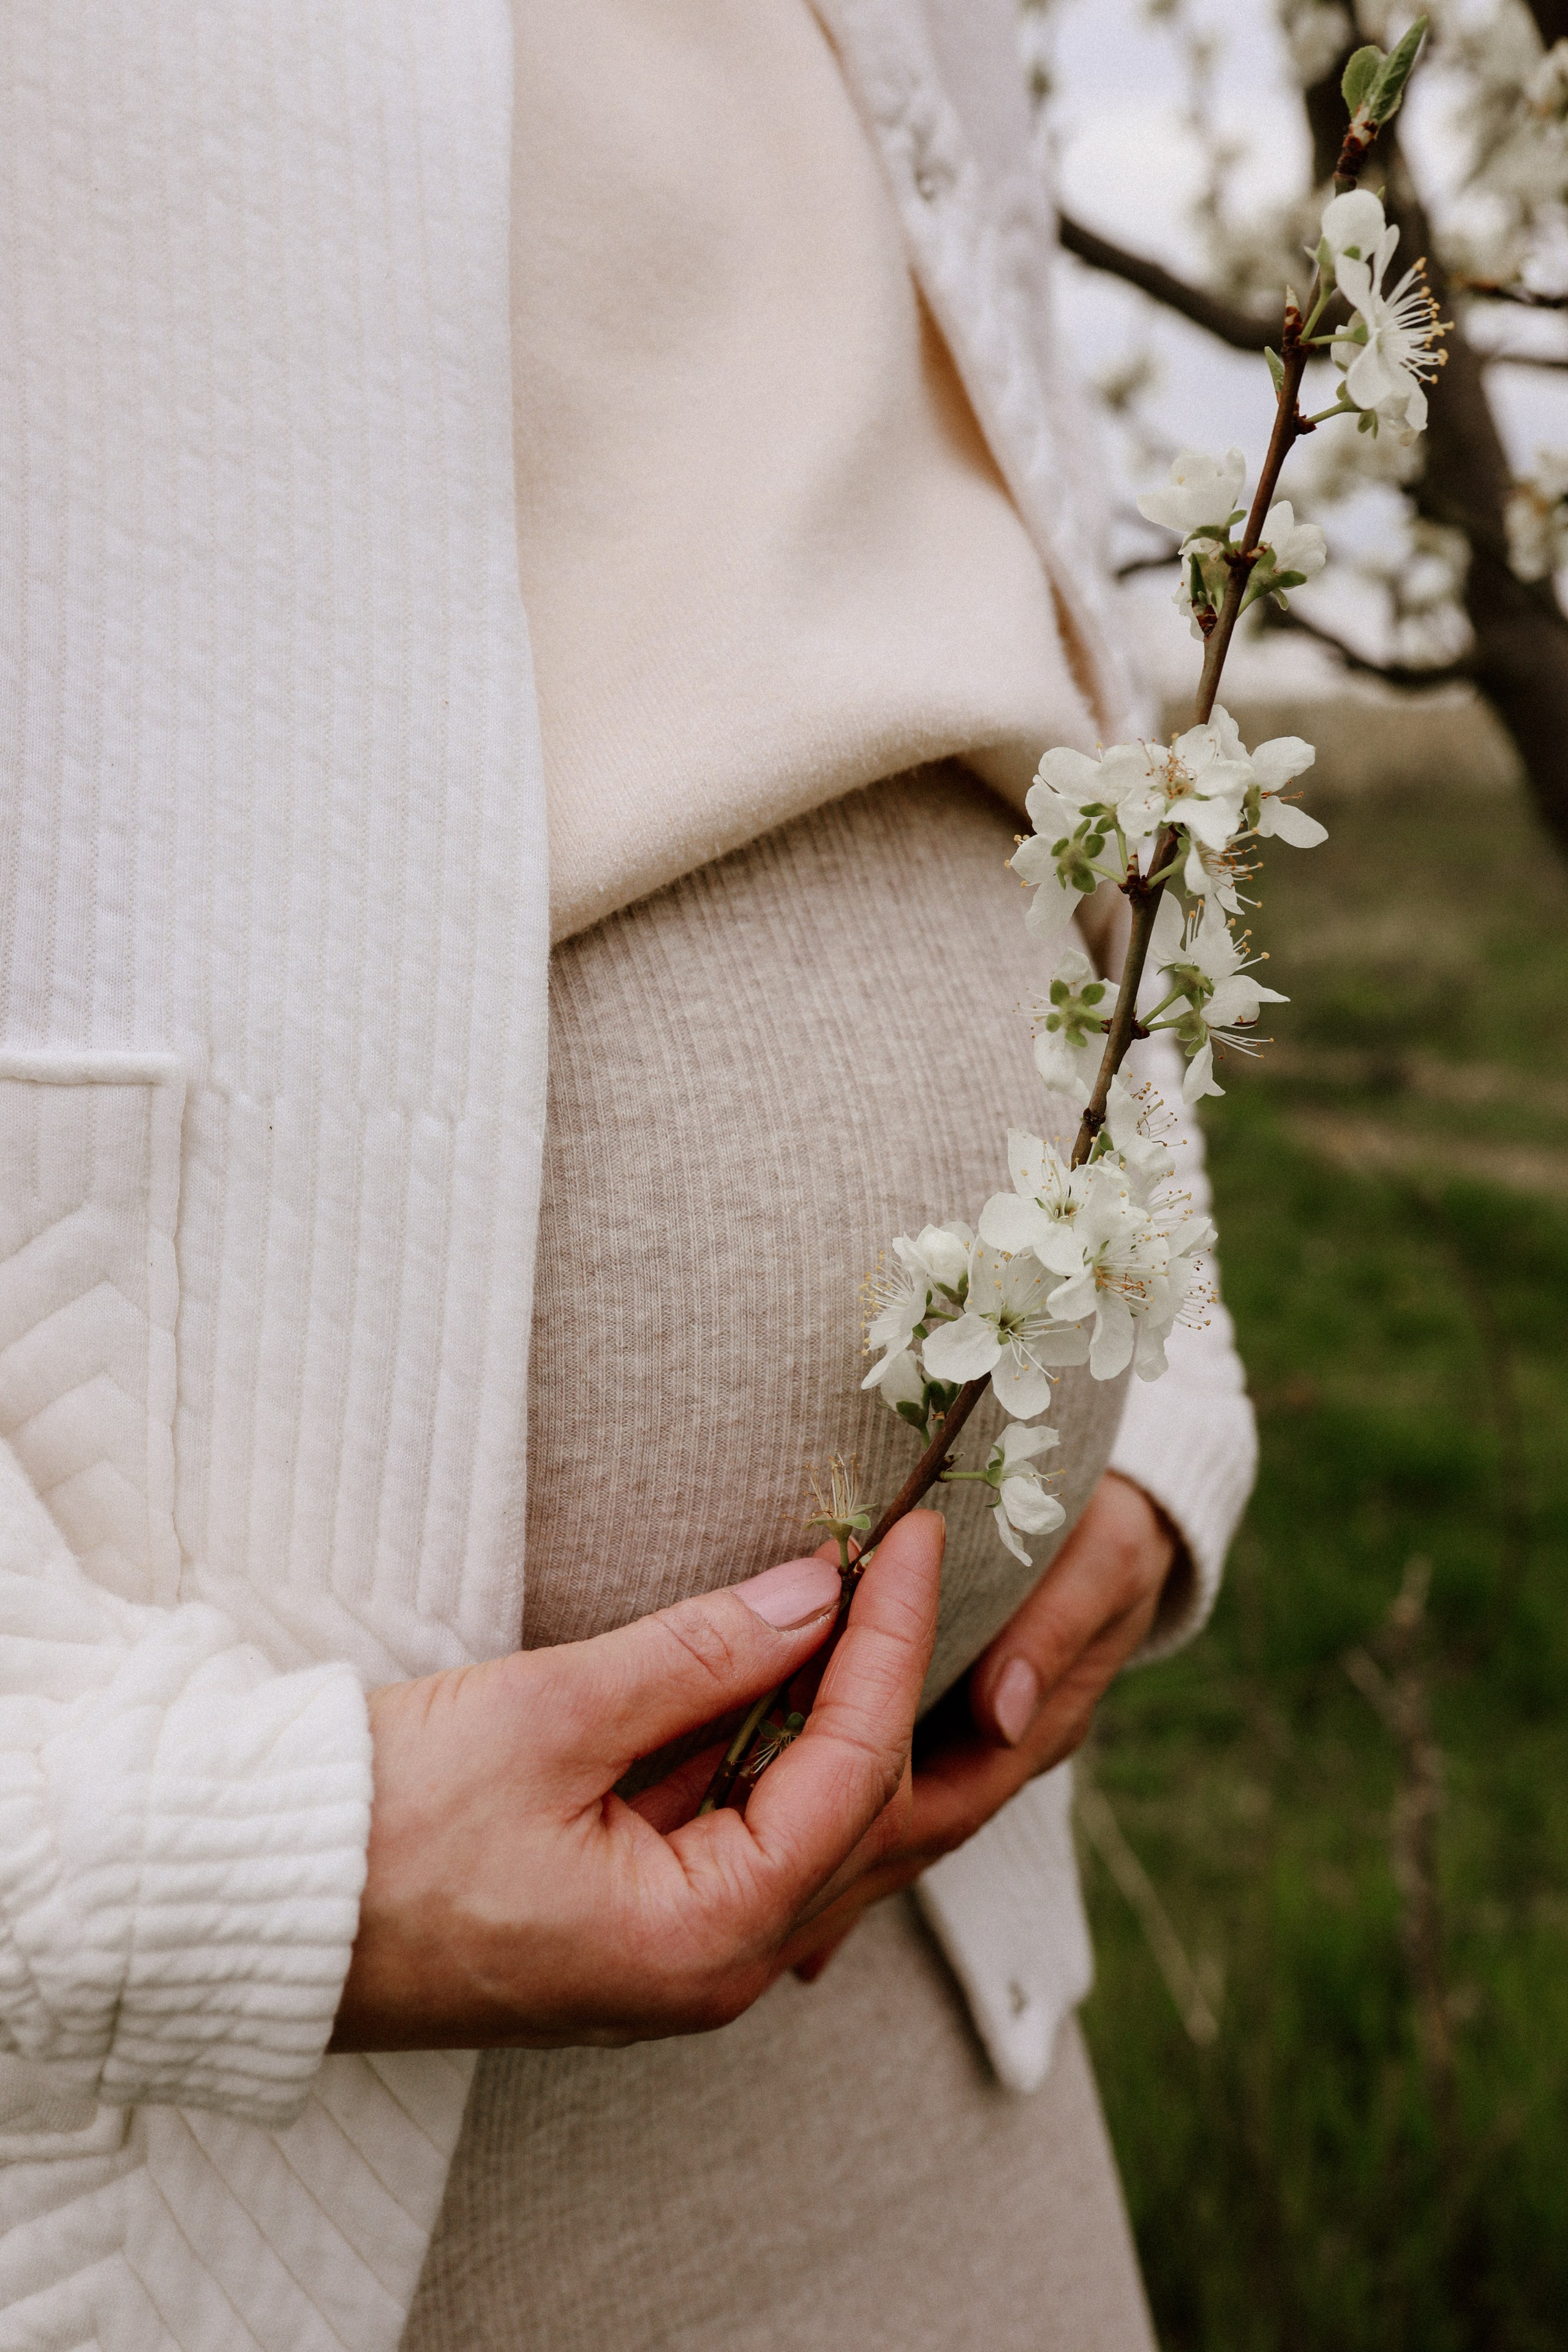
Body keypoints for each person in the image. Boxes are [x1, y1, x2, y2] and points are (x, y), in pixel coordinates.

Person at [0, 3, 1254, 2347]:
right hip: (226, 2158)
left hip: (927, 1982)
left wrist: (1161, 1389)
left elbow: (1049, 691)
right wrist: (196, 1862)